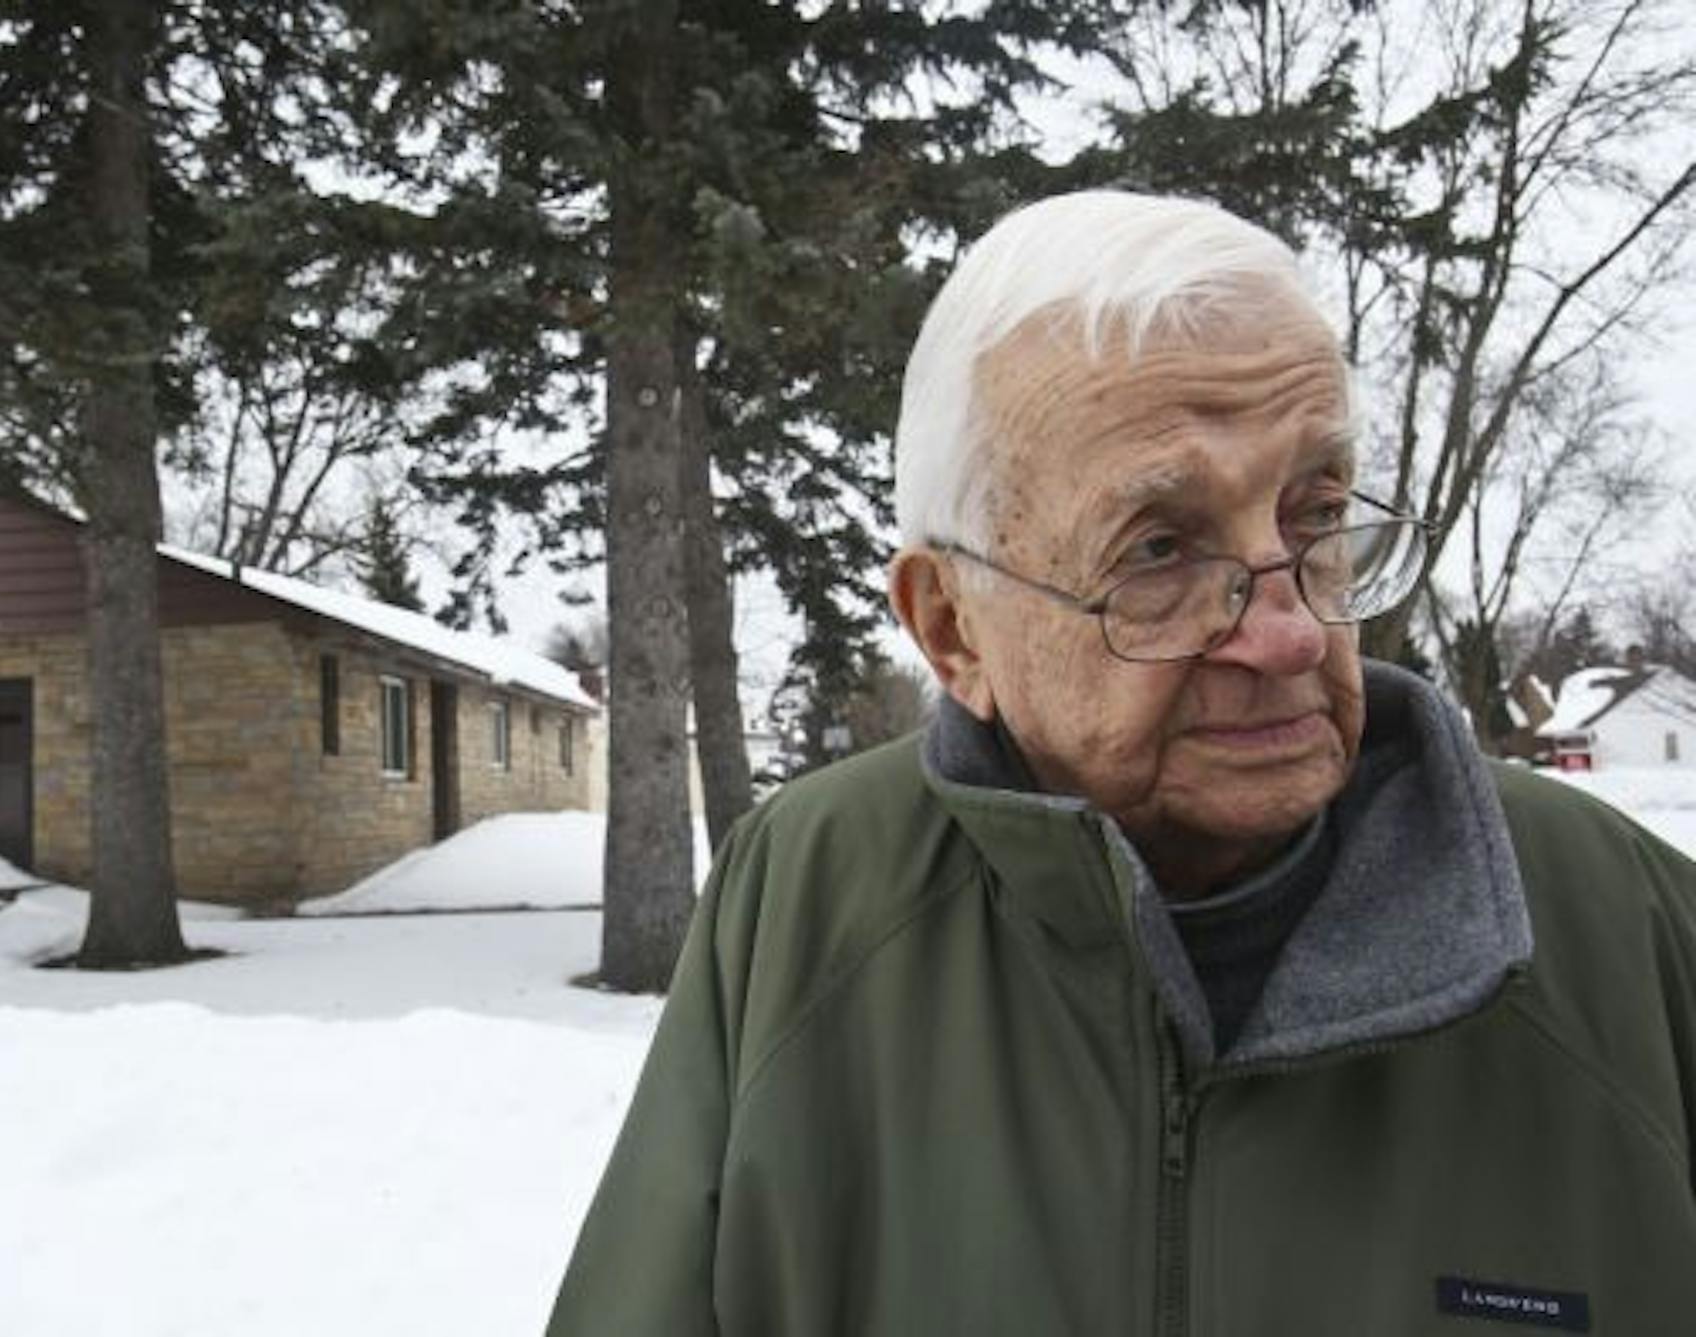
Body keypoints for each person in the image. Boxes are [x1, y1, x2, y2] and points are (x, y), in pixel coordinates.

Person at [548, 191, 1696, 1336]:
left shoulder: (1627, 927)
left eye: (1316, 515)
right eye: (1158, 549)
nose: (1292, 633)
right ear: (952, 627)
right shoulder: (802, 900)